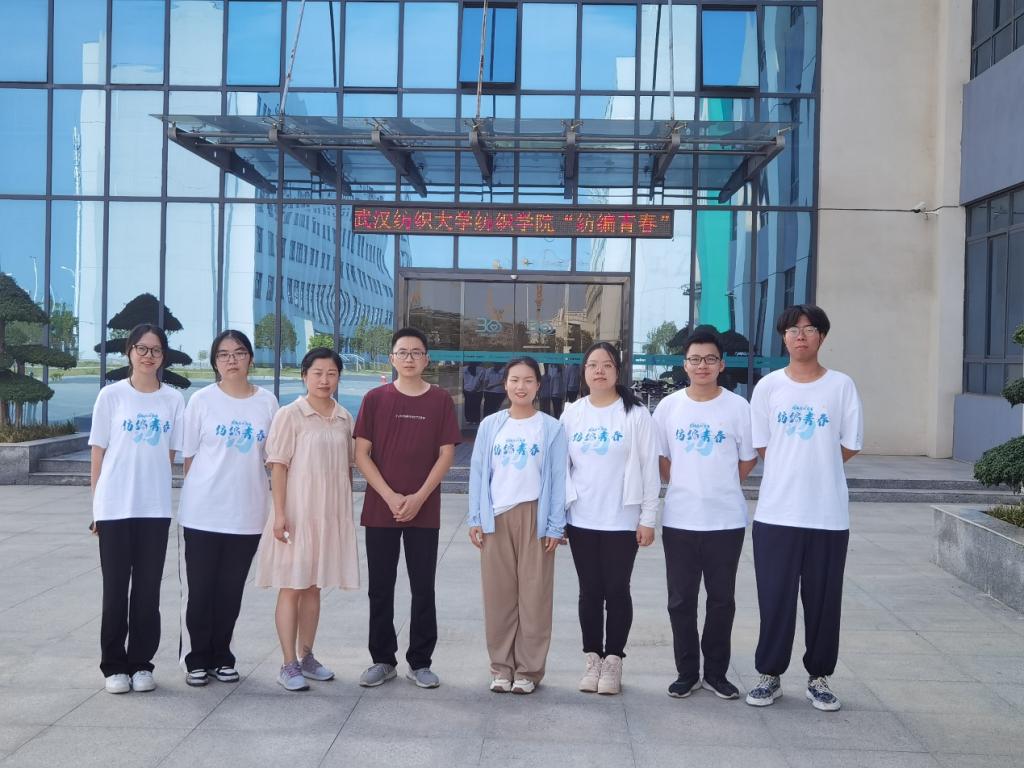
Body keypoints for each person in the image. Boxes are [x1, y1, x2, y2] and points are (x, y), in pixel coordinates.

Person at [744, 305, 863, 712]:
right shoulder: (768, 387)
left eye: (809, 329)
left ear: (822, 337)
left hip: (827, 515)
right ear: (783, 337)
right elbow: (763, 445)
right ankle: (769, 675)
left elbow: (849, 444)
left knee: (824, 601)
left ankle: (819, 677)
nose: (800, 336)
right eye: (793, 330)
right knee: (774, 598)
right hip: (776, 513)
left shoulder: (841, 386)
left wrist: (818, 465)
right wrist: (794, 466)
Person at [651, 327, 757, 700]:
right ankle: (686, 672)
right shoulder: (669, 407)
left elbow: (747, 459)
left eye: (710, 359)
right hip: (680, 519)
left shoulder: (738, 407)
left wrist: (720, 483)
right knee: (680, 601)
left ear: (721, 364)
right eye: (695, 359)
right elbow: (661, 458)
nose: (702, 365)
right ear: (685, 364)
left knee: (721, 600)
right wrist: (686, 483)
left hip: (725, 521)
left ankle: (715, 673)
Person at [355, 327, 461, 689]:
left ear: (427, 359)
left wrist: (418, 498)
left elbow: (446, 454)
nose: (410, 358)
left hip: (424, 510)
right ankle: (382, 660)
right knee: (380, 588)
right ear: (392, 358)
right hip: (380, 508)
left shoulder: (440, 400)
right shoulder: (375, 399)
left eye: (417, 352)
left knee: (423, 588)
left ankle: (420, 662)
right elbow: (361, 454)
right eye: (403, 352)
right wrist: (389, 496)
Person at [177, 330, 278, 687]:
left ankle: (222, 656)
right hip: (203, 512)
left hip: (248, 512)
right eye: (223, 354)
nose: (231, 360)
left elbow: (272, 458)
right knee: (201, 589)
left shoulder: (267, 402)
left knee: (231, 590)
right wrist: (200, 494)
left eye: (238, 353)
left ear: (250, 357)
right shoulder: (201, 401)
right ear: (215, 361)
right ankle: (196, 659)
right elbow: (189, 458)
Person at [254, 347, 359, 692]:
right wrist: (280, 514)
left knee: (314, 586)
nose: (325, 380)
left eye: (331, 373)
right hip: (297, 513)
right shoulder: (290, 415)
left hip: (328, 514)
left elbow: (347, 468)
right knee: (292, 585)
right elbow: (278, 466)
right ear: (304, 376)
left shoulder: (344, 418)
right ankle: (288, 663)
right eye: (317, 373)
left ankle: (308, 656)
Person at [560, 342, 660, 695]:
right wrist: (559, 517)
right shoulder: (572, 414)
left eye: (606, 364)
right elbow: (561, 469)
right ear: (584, 372)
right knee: (589, 592)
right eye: (592, 365)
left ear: (618, 371)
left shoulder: (636, 414)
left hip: (622, 520)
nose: (599, 370)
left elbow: (650, 469)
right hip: (581, 518)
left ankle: (614, 660)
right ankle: (592, 658)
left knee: (617, 590)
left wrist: (648, 518)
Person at [89, 323, 184, 694]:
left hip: (154, 509)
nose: (149, 356)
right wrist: (96, 506)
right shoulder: (111, 396)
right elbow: (98, 453)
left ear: (163, 356)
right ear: (129, 351)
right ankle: (114, 665)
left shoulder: (173, 399)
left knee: (147, 592)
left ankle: (142, 663)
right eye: (142, 348)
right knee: (115, 591)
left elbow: (170, 454)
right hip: (114, 506)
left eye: (156, 350)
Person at [467, 357, 567, 695]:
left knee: (535, 597)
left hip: (535, 517)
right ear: (505, 384)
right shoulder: (491, 425)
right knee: (498, 596)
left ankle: (528, 670)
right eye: (514, 380)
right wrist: (475, 517)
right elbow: (478, 472)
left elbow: (558, 478)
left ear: (538, 386)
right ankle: (501, 668)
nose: (520, 386)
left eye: (527, 380)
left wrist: (555, 526)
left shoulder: (551, 428)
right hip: (496, 517)